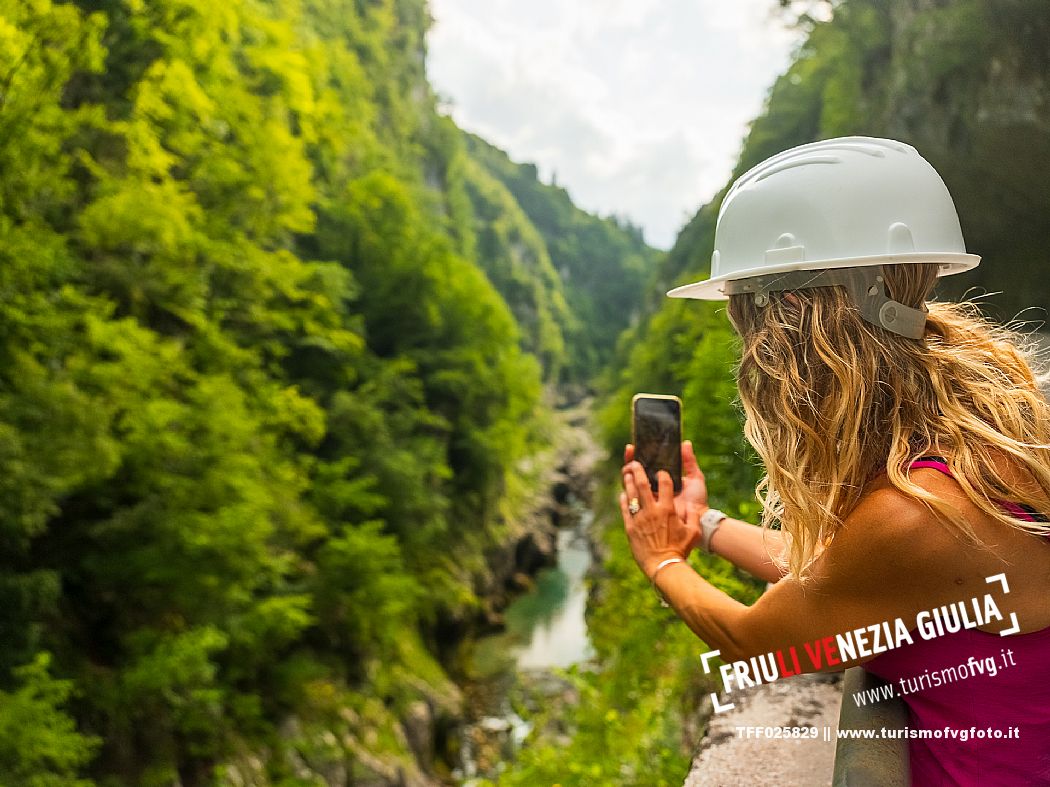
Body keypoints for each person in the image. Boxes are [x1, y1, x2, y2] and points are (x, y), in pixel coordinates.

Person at [618, 136, 1050, 785]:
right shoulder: (973, 432)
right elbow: (838, 571)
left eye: (746, 318)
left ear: (788, 312)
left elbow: (752, 641)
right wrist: (702, 524)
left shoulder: (918, 513)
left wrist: (660, 557)